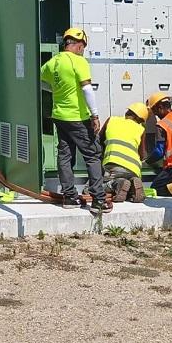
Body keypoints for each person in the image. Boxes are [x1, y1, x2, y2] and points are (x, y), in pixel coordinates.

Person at [39, 28, 107, 214]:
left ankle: (69, 196)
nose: (82, 50)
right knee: (92, 155)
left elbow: (41, 81)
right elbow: (87, 89)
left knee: (65, 155)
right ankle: (99, 199)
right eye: (82, 47)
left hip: (60, 116)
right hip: (78, 117)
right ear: (78, 45)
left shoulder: (53, 62)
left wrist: (57, 91)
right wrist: (95, 115)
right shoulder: (79, 61)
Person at [99, 102, 149, 204]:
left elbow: (98, 141)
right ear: (139, 119)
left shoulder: (111, 120)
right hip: (133, 169)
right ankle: (132, 185)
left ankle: (115, 184)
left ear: (128, 112)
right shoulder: (141, 129)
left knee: (92, 188)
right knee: (127, 182)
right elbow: (142, 155)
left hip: (113, 165)